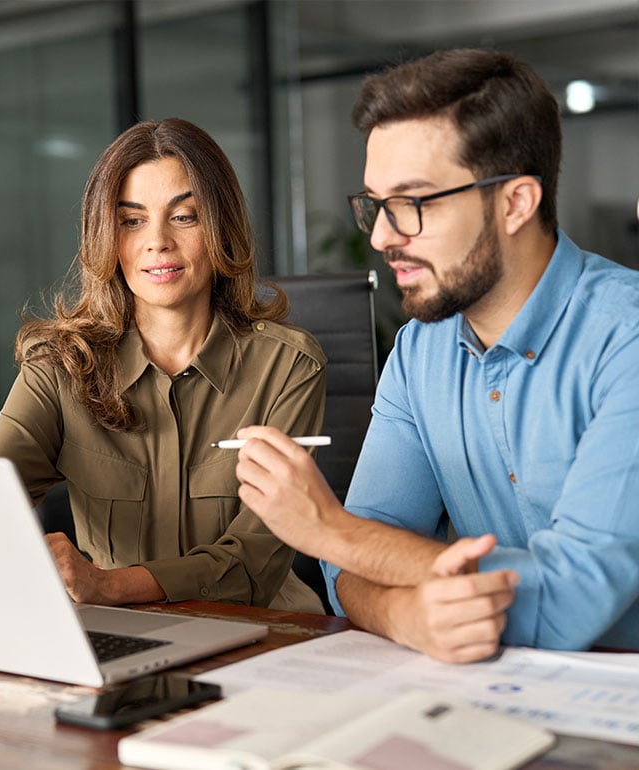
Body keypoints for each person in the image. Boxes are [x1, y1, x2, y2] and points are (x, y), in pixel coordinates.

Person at [235, 48, 639, 661]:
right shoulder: (420, 351)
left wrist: (332, 531)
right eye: (375, 204)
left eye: (412, 203)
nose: (379, 236)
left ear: (514, 203)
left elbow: (569, 601)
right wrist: (403, 614)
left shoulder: (626, 338)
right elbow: (351, 576)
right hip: (491, 696)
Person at [0, 117, 326, 613]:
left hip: (263, 632)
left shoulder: (288, 366)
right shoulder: (59, 368)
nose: (157, 241)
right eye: (132, 220)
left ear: (220, 226)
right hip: (118, 636)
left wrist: (110, 586)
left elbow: (255, 559)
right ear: (106, 235)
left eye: (184, 216)